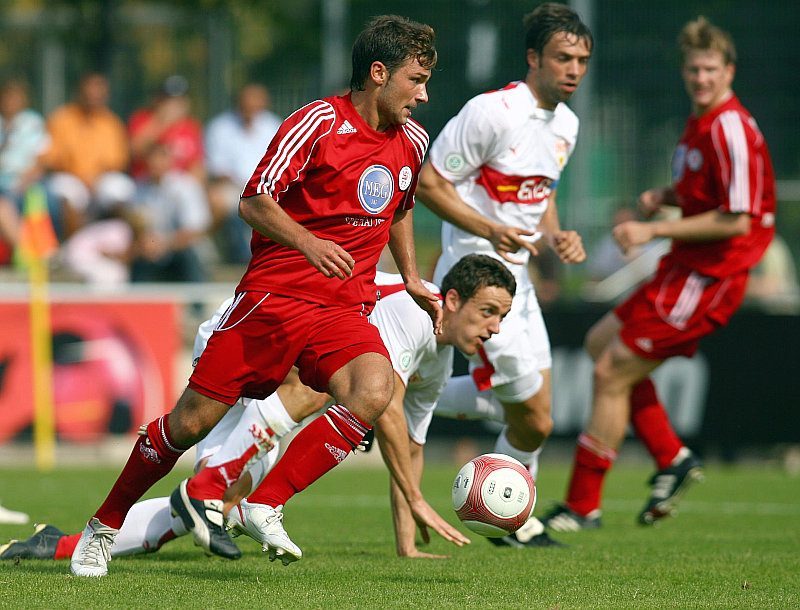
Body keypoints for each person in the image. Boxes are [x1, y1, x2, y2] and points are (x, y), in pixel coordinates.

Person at [69, 15, 439, 578]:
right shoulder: (318, 122)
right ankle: (102, 527)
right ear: (378, 73)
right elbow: (253, 201)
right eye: (416, 80)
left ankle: (265, 504)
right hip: (276, 299)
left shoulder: (412, 141)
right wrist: (309, 243)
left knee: (373, 388)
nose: (424, 95)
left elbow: (401, 206)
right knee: (188, 424)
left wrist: (410, 276)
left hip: (343, 307)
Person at [5, 254, 512, 562]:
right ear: (450, 300)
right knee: (329, 389)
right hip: (247, 340)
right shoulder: (413, 311)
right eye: (487, 312)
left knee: (219, 507)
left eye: (502, 318)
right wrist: (416, 498)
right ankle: (215, 490)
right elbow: (389, 410)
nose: (493, 328)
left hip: (276, 377)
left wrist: (408, 543)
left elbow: (410, 445)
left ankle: (62, 544)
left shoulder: (438, 359)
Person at [541, 16, 776, 532]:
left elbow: (737, 218)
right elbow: (706, 193)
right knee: (600, 345)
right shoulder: (701, 122)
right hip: (684, 268)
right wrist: (664, 197)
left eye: (710, 69)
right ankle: (672, 457)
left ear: (729, 70)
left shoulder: (730, 127)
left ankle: (582, 506)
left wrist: (652, 229)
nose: (701, 78)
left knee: (610, 373)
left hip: (710, 277)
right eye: (693, 69)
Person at [415, 2, 591, 547]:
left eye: (582, 60)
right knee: (532, 414)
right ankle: (387, 398)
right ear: (533, 58)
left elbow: (542, 195)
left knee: (537, 417)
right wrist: (490, 229)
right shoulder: (492, 113)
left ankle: (509, 514)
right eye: (563, 58)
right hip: (477, 277)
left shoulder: (567, 125)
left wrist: (554, 237)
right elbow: (429, 183)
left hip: (519, 280)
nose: (574, 70)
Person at [37, 72, 130, 238]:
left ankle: (117, 241)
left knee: (118, 190)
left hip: (100, 179)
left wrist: (94, 179)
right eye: (89, 92)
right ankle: (75, 244)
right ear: (79, 92)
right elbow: (50, 158)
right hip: (70, 177)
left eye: (97, 93)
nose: (92, 97)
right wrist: (80, 177)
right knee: (68, 193)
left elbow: (117, 161)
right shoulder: (61, 119)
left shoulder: (111, 123)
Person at [205, 83, 282, 263]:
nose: (251, 105)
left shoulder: (274, 125)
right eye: (247, 101)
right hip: (233, 186)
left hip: (268, 187)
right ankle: (212, 252)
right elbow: (217, 169)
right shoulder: (219, 127)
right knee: (216, 199)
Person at [126, 143, 211, 282]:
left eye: (160, 158)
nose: (155, 164)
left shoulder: (186, 186)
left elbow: (195, 229)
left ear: (169, 160)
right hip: (151, 252)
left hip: (183, 251)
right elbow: (136, 226)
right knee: (137, 260)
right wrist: (145, 243)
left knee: (189, 255)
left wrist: (164, 244)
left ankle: (197, 296)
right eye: (152, 159)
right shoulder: (138, 189)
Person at [0, 78, 50, 262]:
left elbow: (43, 159)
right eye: (7, 97)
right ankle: (32, 255)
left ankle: (36, 253)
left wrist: (26, 180)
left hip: (26, 182)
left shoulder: (33, 122)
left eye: (15, 98)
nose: (11, 102)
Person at [128, 75, 205, 182]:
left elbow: (197, 164)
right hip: (146, 181)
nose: (173, 105)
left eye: (179, 100)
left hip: (179, 183)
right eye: (168, 99)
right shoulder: (143, 118)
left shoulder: (191, 127)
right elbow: (134, 150)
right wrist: (162, 122)